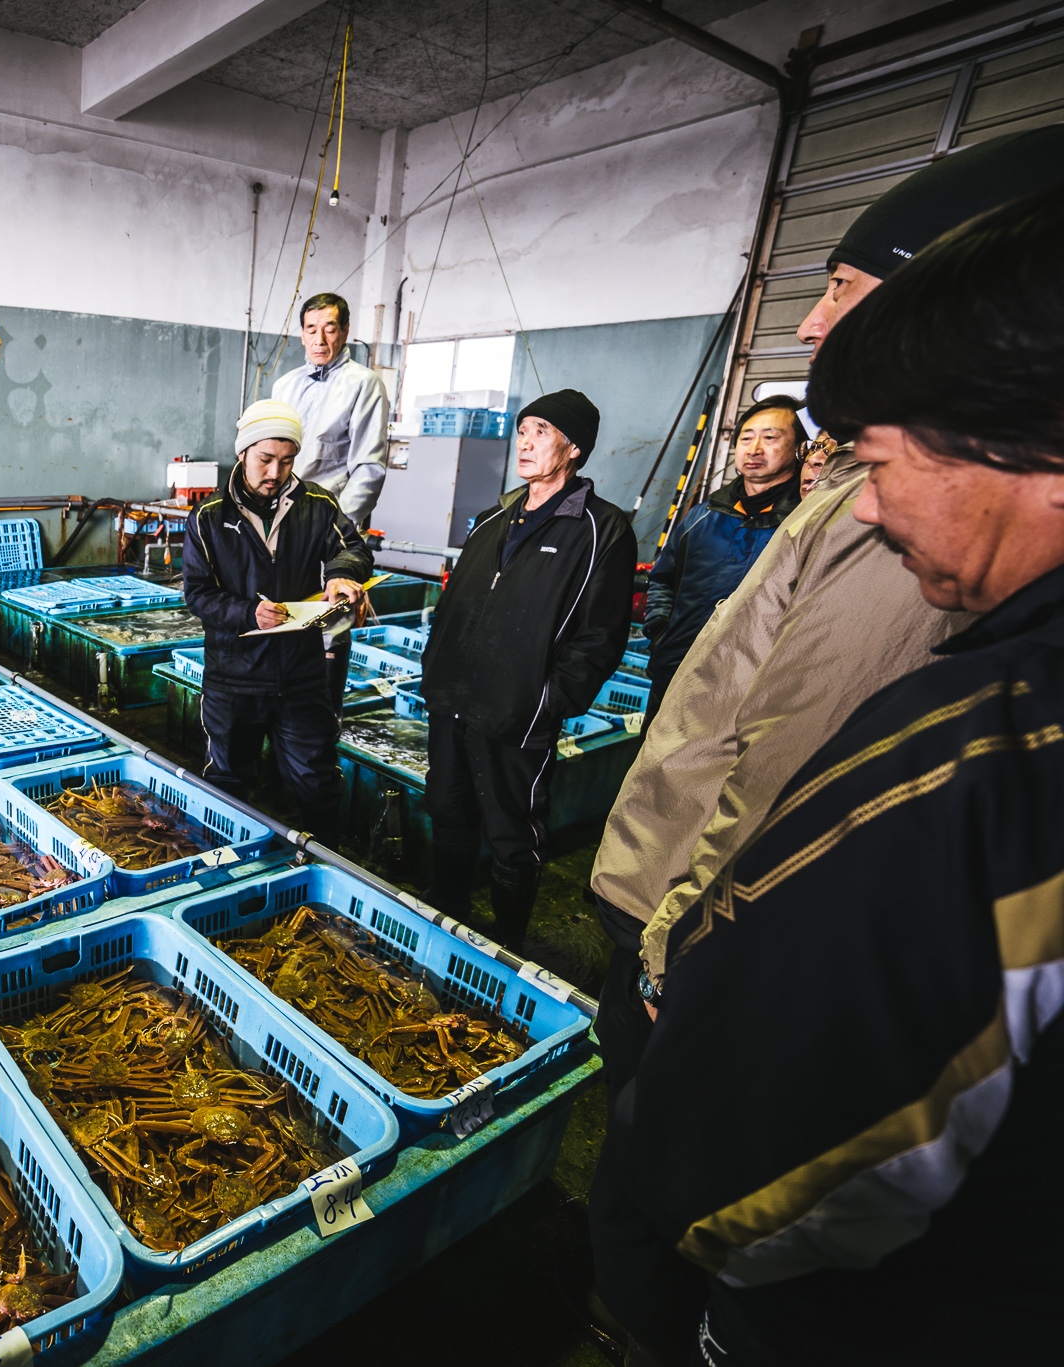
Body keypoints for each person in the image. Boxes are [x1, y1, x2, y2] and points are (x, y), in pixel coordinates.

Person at [587, 123, 1064, 1365]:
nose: (865, 491)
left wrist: (679, 941)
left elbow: (806, 1172)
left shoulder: (991, 747)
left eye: (879, 454)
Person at [418, 390, 634, 944]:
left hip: (518, 715)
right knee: (447, 808)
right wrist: (435, 671)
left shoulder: (601, 530)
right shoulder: (494, 517)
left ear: (574, 448)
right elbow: (456, 603)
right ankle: (449, 910)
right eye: (523, 430)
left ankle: (508, 942)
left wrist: (544, 704)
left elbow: (600, 640)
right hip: (453, 702)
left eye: (541, 431)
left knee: (512, 832)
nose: (526, 441)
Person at [183, 399, 372, 846]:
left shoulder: (318, 506)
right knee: (227, 782)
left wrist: (342, 572)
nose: (275, 473)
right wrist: (249, 613)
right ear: (243, 452)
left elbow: (355, 548)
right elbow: (198, 594)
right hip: (234, 679)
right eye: (266, 459)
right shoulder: (209, 519)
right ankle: (225, 868)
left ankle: (325, 866)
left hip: (302, 675)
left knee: (317, 780)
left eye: (287, 462)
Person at [641, 398, 805, 726]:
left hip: (748, 693)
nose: (755, 448)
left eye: (770, 438)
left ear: (800, 448)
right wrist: (661, 629)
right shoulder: (701, 517)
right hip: (674, 674)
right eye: (746, 438)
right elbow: (662, 578)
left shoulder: (803, 523)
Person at [270, 291, 391, 534]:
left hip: (326, 522)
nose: (319, 340)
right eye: (311, 329)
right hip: (279, 517)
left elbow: (369, 467)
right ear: (303, 335)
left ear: (345, 331)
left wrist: (338, 526)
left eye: (330, 329)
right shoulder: (284, 386)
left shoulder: (364, 384)